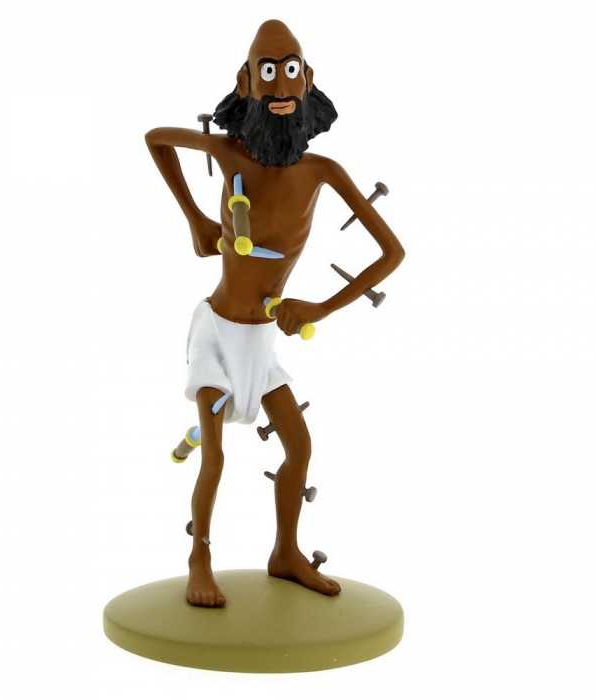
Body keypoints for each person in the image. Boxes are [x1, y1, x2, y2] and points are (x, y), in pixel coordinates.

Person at [146, 20, 404, 607]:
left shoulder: (323, 172)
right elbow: (156, 139)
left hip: (262, 342)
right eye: (269, 71)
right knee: (215, 455)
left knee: (299, 448)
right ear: (246, 83)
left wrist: (323, 307)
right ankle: (199, 559)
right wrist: (195, 218)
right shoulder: (227, 152)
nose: (282, 86)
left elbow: (391, 252)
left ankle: (286, 553)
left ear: (308, 79)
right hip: (217, 332)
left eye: (291, 70)